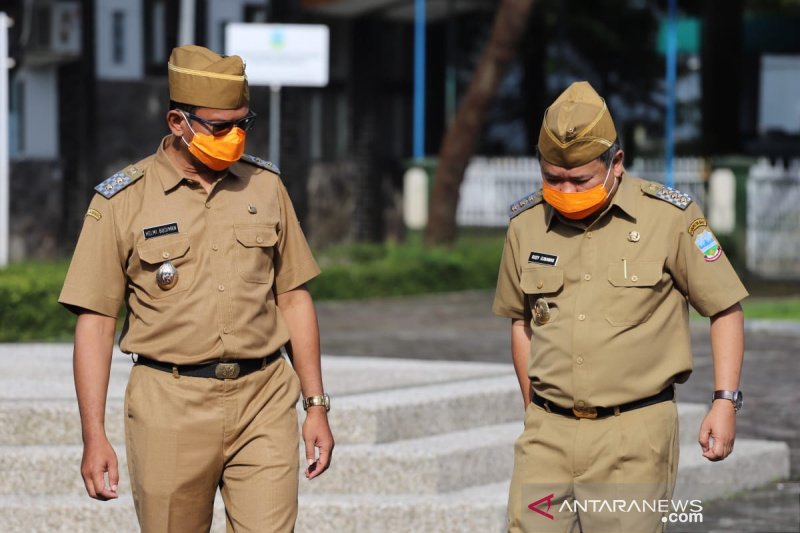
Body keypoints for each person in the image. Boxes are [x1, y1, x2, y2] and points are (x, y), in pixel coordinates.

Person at [59, 45, 334, 532]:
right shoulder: (122, 201)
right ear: (177, 122)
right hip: (170, 404)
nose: (234, 137)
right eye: (219, 127)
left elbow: (292, 297)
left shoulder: (264, 187)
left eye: (243, 124)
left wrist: (315, 405)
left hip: (264, 397)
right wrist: (94, 436)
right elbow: (97, 324)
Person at [493, 81, 747, 533]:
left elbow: (725, 308)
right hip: (547, 434)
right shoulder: (525, 225)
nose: (566, 190)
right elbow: (522, 322)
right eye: (553, 179)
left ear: (616, 164)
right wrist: (534, 409)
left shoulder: (671, 217)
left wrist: (724, 401)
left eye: (580, 180)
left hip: (634, 436)